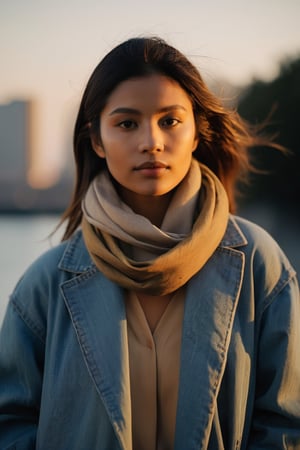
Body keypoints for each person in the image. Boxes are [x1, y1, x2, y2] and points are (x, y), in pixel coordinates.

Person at [0, 36, 299, 450]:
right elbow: (11, 424)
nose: (152, 142)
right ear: (97, 140)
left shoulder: (259, 263)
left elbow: (285, 424)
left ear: (196, 132)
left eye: (170, 121)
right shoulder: (44, 286)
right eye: (127, 123)